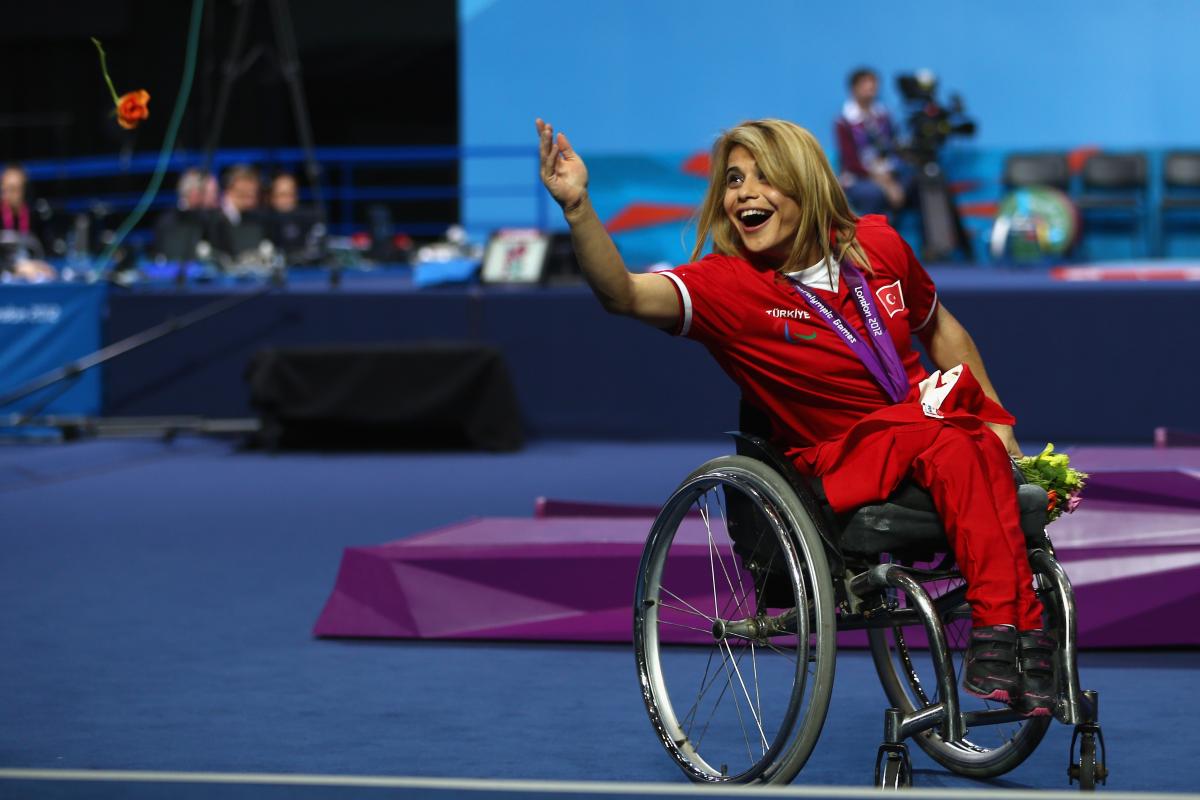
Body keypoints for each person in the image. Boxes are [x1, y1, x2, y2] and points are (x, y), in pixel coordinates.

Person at [535, 116, 1056, 717]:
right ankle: (1011, 632)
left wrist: (999, 423)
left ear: (805, 185)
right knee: (955, 443)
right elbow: (622, 295)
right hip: (838, 456)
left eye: (764, 177)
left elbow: (938, 327)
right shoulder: (726, 289)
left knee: (974, 446)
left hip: (929, 435)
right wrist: (577, 207)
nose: (744, 193)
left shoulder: (877, 245)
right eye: (733, 179)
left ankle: (1019, 640)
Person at [835, 68, 912, 217]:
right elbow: (850, 161)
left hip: (890, 173)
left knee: (919, 182)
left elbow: (895, 148)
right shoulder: (843, 122)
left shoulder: (884, 116)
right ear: (854, 88)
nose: (871, 87)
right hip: (859, 178)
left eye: (873, 82)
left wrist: (891, 175)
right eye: (865, 83)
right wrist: (883, 182)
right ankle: (872, 235)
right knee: (874, 194)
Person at [0, 164, 55, 281]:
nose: (8, 195)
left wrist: (40, 265)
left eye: (14, 189)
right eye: (5, 189)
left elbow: (46, 251)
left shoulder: (35, 217)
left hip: (30, 278)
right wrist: (14, 268)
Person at [153, 168, 219, 262]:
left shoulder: (210, 218)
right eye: (211, 193)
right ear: (194, 193)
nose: (215, 197)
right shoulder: (168, 222)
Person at [265, 172, 323, 263]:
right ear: (271, 197)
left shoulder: (308, 218)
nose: (287, 200)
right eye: (282, 195)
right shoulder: (262, 220)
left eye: (291, 194)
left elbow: (316, 251)